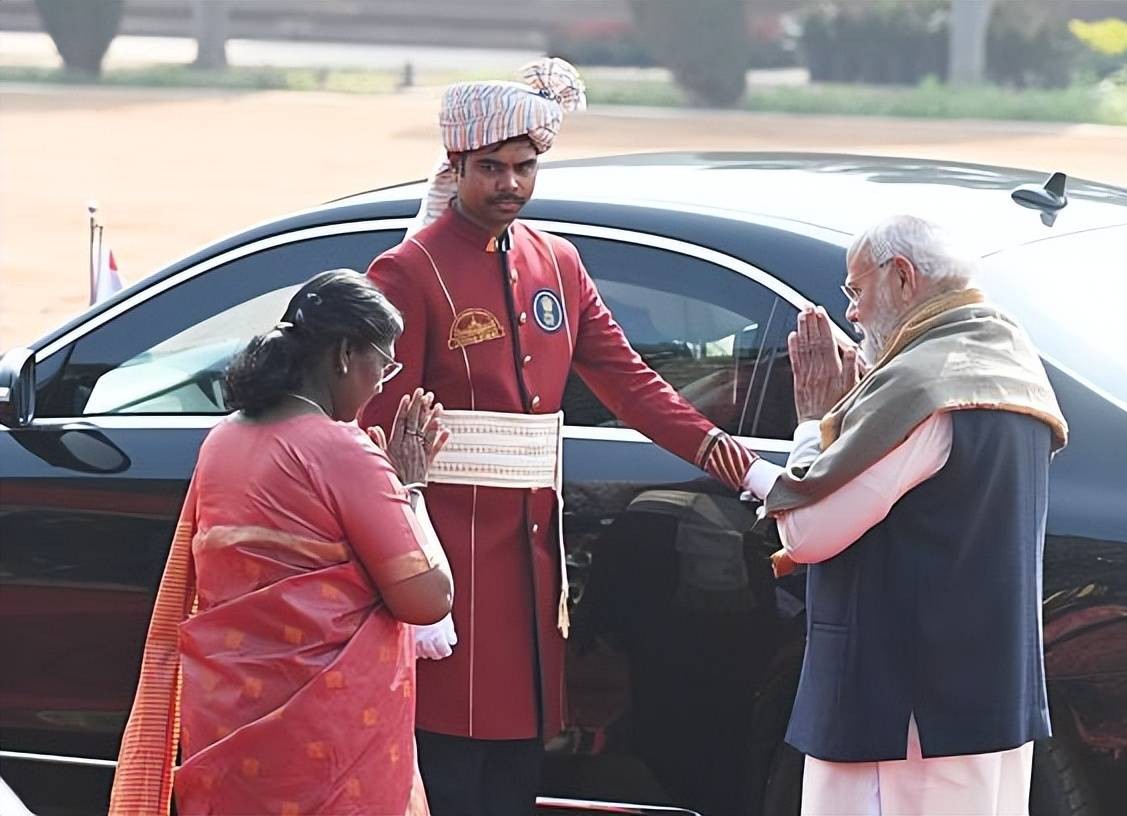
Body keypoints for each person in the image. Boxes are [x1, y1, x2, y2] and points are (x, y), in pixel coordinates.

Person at [359, 59, 770, 814]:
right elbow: (371, 425)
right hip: (442, 560)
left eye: (525, 166)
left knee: (517, 771)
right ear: (455, 165)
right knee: (446, 768)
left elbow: (633, 385)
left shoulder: (559, 261)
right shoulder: (409, 270)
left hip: (532, 564)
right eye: (492, 168)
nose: (511, 183)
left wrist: (748, 470)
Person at [109, 269, 452, 816]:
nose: (381, 383)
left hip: (228, 724)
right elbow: (427, 598)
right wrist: (409, 488)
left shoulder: (222, 441)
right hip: (323, 748)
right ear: (344, 355)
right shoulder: (343, 452)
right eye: (382, 365)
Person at [759, 215, 1069, 815]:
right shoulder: (1012, 363)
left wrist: (814, 422)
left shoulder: (922, 382)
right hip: (987, 702)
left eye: (856, 291)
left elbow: (808, 532)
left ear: (902, 278)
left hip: (905, 716)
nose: (850, 313)